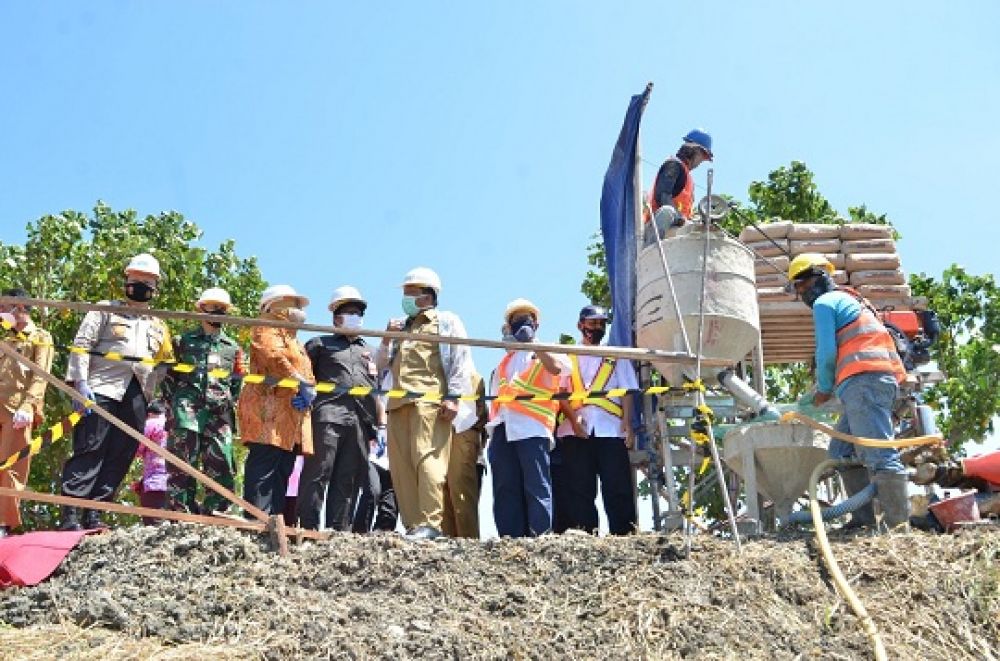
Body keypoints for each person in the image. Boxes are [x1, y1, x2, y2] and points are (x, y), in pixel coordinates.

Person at [789, 253, 910, 529]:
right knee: (841, 450)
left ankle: (898, 526)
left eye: (803, 285)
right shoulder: (854, 301)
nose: (802, 293)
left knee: (880, 454)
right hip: (873, 382)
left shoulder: (825, 303)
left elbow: (827, 353)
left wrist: (823, 389)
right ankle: (862, 519)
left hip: (863, 383)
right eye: (797, 289)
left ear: (819, 278)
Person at [61, 253, 174, 531]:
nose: (140, 286)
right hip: (101, 387)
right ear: (126, 281)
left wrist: (156, 388)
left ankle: (97, 511)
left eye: (147, 281)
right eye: (135, 280)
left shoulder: (159, 325)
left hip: (137, 394)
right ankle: (72, 513)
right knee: (90, 447)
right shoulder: (104, 310)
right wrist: (80, 384)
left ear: (155, 287)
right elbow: (81, 345)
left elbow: (166, 363)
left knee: (121, 453)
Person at [375, 267, 475, 541]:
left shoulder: (446, 322)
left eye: (411, 292)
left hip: (429, 402)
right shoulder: (399, 327)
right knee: (402, 467)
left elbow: (459, 359)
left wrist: (454, 397)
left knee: (428, 460)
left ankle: (430, 523)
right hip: (397, 404)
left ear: (427, 295)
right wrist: (386, 340)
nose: (406, 298)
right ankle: (413, 526)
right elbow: (379, 366)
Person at [297, 286, 379, 531]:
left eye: (358, 312)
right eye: (349, 312)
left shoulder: (370, 351)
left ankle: (338, 530)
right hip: (327, 416)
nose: (355, 316)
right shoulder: (319, 343)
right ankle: (309, 527)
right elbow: (300, 374)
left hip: (361, 422)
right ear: (336, 317)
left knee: (348, 479)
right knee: (318, 473)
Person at [487, 299, 569, 538]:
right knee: (505, 487)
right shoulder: (504, 362)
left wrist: (534, 344)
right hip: (503, 427)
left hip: (533, 428)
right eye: (516, 320)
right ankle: (510, 538)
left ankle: (540, 536)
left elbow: (556, 369)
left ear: (536, 324)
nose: (522, 324)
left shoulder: (546, 350)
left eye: (527, 319)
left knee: (536, 485)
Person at [555, 305, 638, 535]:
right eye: (592, 323)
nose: (597, 328)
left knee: (617, 486)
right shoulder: (567, 356)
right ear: (580, 325)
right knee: (579, 488)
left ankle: (624, 536)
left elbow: (628, 390)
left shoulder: (615, 355)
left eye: (601, 324)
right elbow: (560, 392)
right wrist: (572, 421)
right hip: (575, 431)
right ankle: (584, 535)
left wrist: (627, 423)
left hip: (610, 428)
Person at [161, 288, 243, 515]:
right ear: (201, 308)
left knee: (221, 459)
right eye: (213, 307)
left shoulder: (233, 348)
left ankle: (218, 510)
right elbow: (169, 378)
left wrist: (225, 400)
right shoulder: (183, 341)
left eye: (223, 309)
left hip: (219, 411)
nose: (218, 312)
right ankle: (181, 510)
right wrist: (174, 406)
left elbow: (237, 382)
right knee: (183, 458)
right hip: (187, 408)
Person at [238, 285, 315, 516]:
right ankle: (256, 518)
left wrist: (310, 391)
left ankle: (274, 521)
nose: (298, 310)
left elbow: (307, 373)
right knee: (264, 466)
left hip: (289, 419)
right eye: (292, 304)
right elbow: (272, 357)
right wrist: (299, 381)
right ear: (274, 305)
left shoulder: (295, 341)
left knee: (283, 470)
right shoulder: (265, 328)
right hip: (267, 414)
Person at [0, 289, 54, 537]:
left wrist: (29, 405)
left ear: (20, 308)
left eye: (4, 307)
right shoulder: (4, 336)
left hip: (16, 411)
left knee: (10, 468)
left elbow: (41, 375)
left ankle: (4, 524)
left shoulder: (40, 337)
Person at [643, 128, 713, 246]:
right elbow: (663, 195)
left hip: (677, 225)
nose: (701, 162)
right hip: (657, 224)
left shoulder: (688, 179)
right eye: (702, 156)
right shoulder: (673, 165)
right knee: (667, 211)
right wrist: (680, 218)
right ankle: (651, 249)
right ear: (694, 151)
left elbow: (686, 212)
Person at [441, 371, 487, 538]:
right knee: (443, 497)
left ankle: (468, 546)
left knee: (462, 497)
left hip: (465, 441)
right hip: (446, 441)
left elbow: (480, 417)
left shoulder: (472, 376)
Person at [134, 400, 168, 525]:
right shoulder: (174, 424)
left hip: (154, 482)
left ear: (148, 414)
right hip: (175, 484)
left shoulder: (151, 423)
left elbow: (136, 449)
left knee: (154, 528)